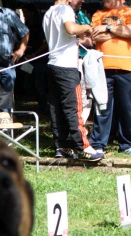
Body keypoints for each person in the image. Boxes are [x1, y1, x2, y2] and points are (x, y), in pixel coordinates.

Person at [43, 0, 102, 162]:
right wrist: (88, 28)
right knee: (74, 108)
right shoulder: (65, 9)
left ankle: (61, 147)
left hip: (53, 65)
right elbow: (71, 29)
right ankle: (83, 147)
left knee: (57, 109)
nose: (82, 1)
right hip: (67, 67)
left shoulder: (49, 12)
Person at [90, 0, 131, 156]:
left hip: (128, 67)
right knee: (102, 107)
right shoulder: (98, 14)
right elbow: (94, 37)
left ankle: (127, 145)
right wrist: (120, 31)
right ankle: (99, 144)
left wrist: (107, 28)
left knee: (127, 107)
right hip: (103, 67)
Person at [0, 0, 30, 93]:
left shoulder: (9, 14)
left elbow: (25, 32)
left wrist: (21, 50)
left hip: (6, 61)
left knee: (6, 98)